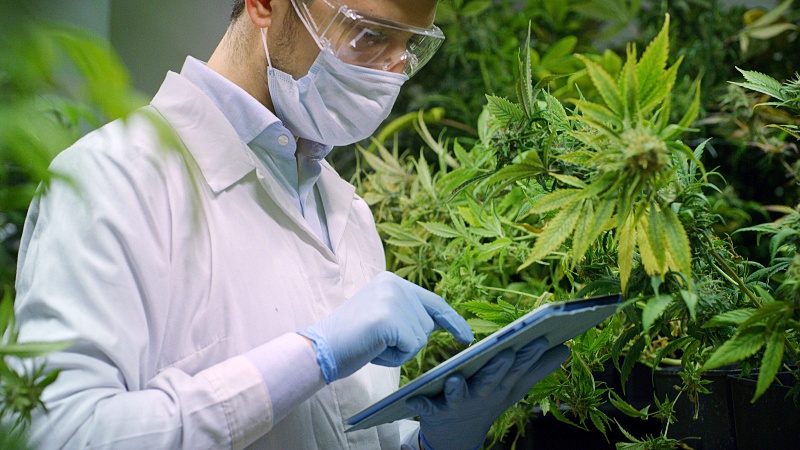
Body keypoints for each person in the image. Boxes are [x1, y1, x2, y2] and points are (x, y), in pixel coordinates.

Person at [13, 0, 569, 448]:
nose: (389, 75)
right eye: (369, 35)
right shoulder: (111, 179)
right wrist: (311, 355)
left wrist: (435, 442)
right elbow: (59, 432)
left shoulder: (349, 217)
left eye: (411, 48)